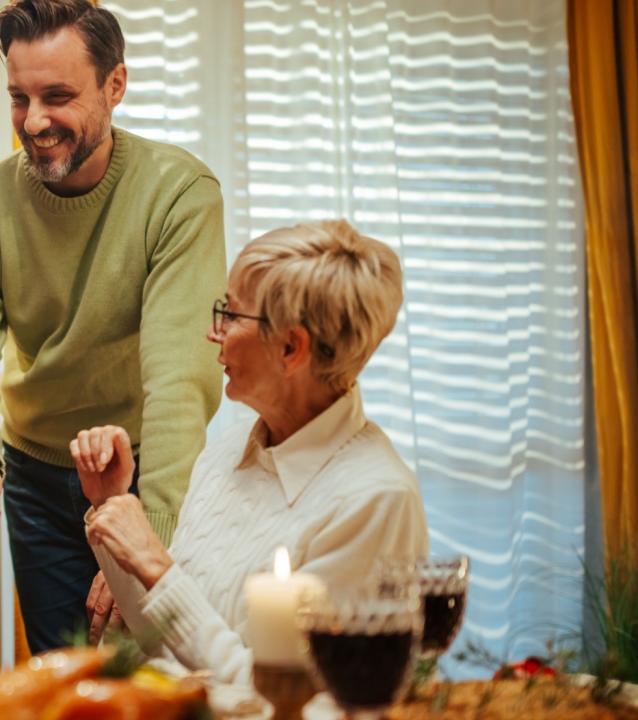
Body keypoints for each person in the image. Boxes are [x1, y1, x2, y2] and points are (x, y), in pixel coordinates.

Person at [0, 0, 226, 653]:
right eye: (19, 98)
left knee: (157, 667)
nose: (33, 122)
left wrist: (144, 531)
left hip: (150, 465)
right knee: (69, 672)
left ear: (114, 86)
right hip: (37, 477)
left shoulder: (178, 194)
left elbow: (182, 380)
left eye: (58, 96)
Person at [72, 220, 430, 682]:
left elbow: (290, 699)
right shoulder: (230, 447)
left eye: (232, 314)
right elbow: (162, 638)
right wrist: (111, 503)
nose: (212, 332)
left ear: (290, 348)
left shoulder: (376, 501)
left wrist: (156, 564)